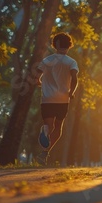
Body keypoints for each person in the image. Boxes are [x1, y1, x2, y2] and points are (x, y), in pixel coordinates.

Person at [36, 32, 79, 165]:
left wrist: (39, 81)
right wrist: (71, 92)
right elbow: (75, 79)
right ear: (69, 45)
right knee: (58, 127)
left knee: (49, 125)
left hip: (47, 98)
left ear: (55, 45)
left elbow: (36, 76)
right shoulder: (71, 62)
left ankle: (45, 130)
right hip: (62, 99)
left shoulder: (48, 60)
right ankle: (45, 153)